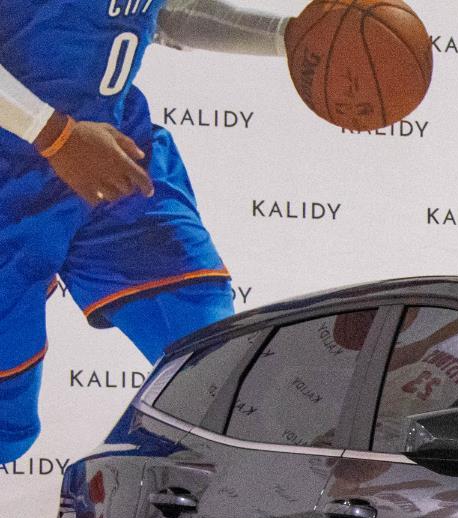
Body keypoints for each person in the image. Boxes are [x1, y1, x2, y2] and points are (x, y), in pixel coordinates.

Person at [0, 0, 309, 465]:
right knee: (8, 427)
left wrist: (287, 36)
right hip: (15, 166)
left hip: (115, 151)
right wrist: (54, 135)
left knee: (216, 372)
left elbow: (159, 12)